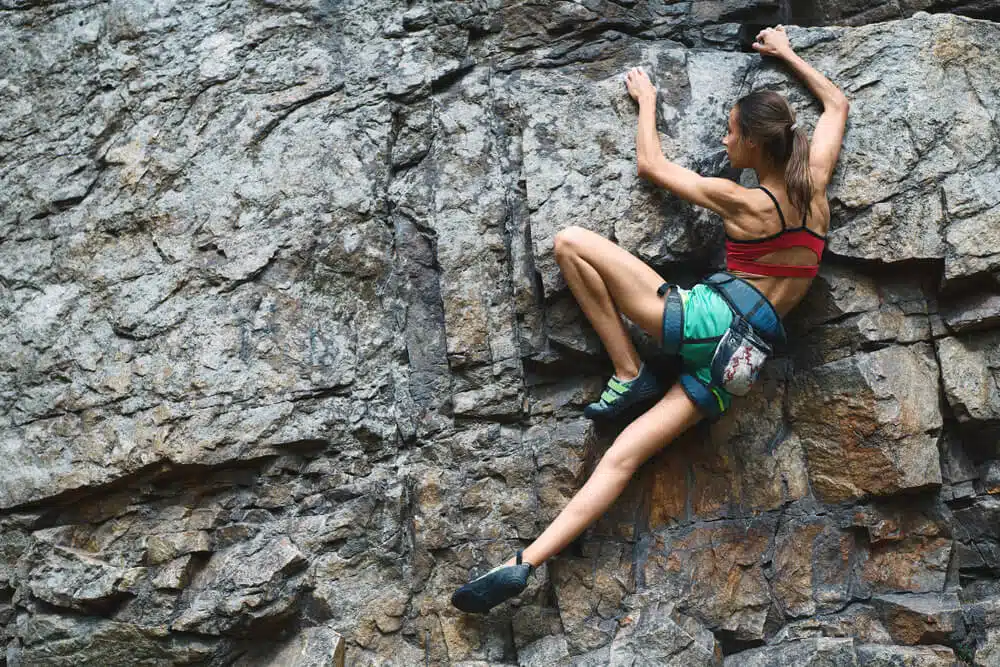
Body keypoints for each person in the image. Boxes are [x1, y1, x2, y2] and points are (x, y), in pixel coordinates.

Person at [451, 25, 849, 614]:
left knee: (569, 242)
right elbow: (837, 103)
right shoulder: (815, 182)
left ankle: (627, 369)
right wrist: (789, 55)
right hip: (742, 361)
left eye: (732, 133)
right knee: (624, 457)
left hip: (707, 323)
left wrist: (647, 102)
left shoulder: (745, 201)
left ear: (756, 149)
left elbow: (650, 164)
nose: (725, 139)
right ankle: (524, 563)